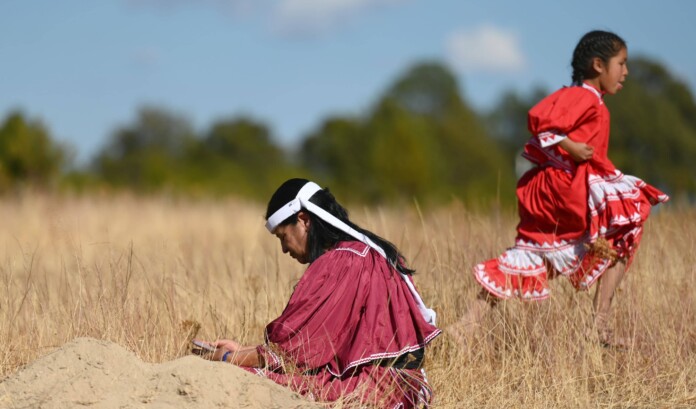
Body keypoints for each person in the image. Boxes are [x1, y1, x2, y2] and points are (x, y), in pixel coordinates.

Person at [453, 30, 669, 347]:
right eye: (621, 63)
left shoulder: (584, 98)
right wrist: (571, 145)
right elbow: (540, 121)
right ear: (598, 64)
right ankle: (599, 325)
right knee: (627, 225)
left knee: (532, 256)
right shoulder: (583, 97)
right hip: (567, 189)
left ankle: (466, 326)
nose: (626, 72)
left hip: (556, 189)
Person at [193, 178, 441, 408]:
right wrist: (240, 352)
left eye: (283, 236)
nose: (283, 249)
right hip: (405, 385)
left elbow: (293, 352)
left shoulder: (341, 262)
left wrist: (228, 359)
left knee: (245, 379)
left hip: (376, 389)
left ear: (304, 220)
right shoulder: (367, 252)